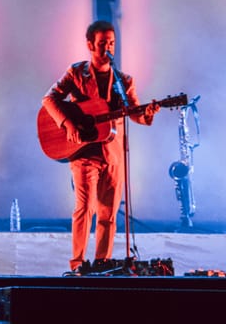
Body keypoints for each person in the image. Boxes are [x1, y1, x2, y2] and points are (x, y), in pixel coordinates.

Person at [42, 19, 160, 273]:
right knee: (85, 208)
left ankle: (101, 264)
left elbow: (135, 114)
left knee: (108, 213)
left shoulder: (124, 81)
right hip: (84, 152)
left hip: (114, 154)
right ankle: (77, 264)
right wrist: (68, 124)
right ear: (90, 45)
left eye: (112, 43)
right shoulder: (77, 73)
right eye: (103, 43)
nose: (108, 48)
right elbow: (49, 99)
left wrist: (148, 112)